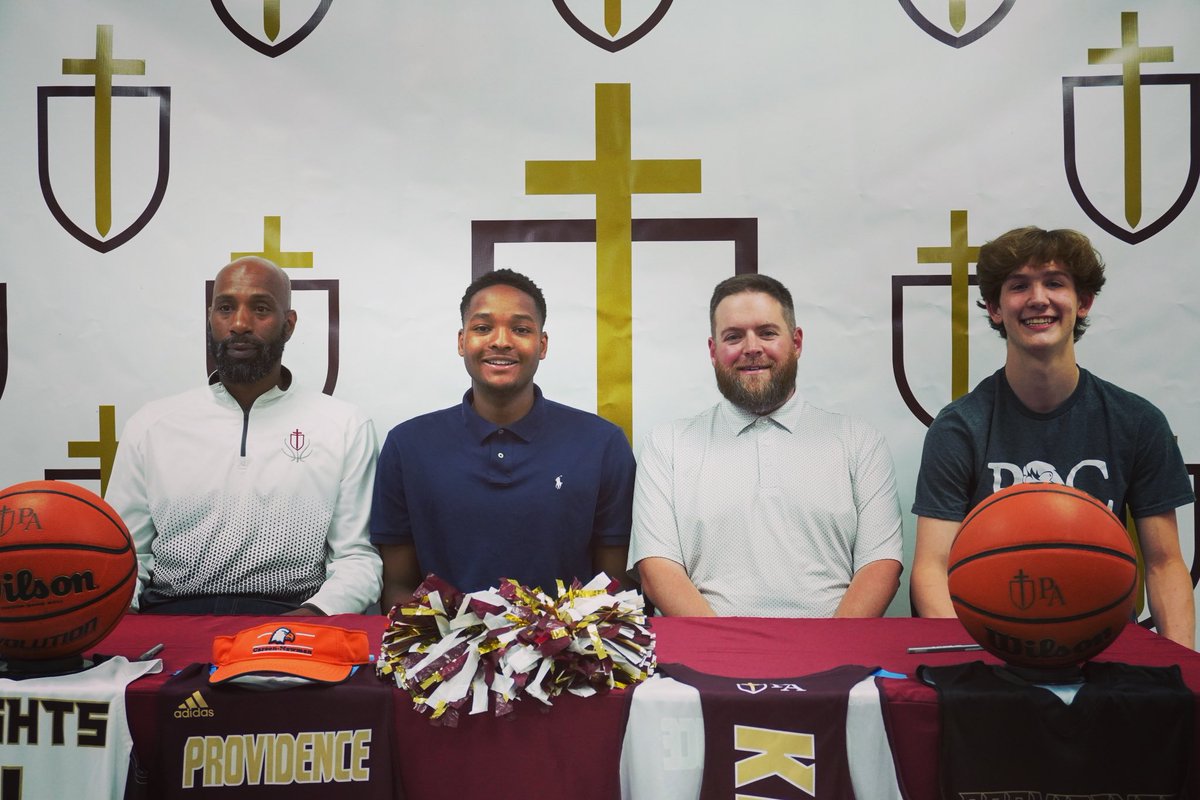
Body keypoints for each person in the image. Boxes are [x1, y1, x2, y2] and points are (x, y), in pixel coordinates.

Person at [911, 226, 1195, 647]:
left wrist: (1181, 674)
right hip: (991, 654)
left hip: (1107, 647)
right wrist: (974, 663)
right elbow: (931, 568)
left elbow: (1165, 562)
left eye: (1055, 283)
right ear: (994, 307)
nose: (1038, 298)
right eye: (1019, 286)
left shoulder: (1136, 421)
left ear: (1083, 302)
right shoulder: (959, 427)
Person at [107, 256, 382, 615]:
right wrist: (120, 616)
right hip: (170, 614)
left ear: (289, 324)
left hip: (292, 618)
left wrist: (310, 618)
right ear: (210, 319)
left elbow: (357, 559)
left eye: (260, 308)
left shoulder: (344, 425)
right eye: (225, 308)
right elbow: (122, 556)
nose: (239, 324)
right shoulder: (151, 424)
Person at [629, 273, 904, 617]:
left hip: (834, 660)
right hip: (709, 661)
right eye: (733, 336)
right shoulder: (667, 445)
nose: (752, 347)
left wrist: (830, 659)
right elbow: (657, 571)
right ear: (713, 352)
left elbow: (880, 567)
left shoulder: (859, 442)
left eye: (767, 332)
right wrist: (727, 656)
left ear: (797, 342)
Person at [370, 269, 636, 610]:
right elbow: (398, 588)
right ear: (462, 341)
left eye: (521, 329)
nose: (501, 341)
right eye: (482, 328)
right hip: (444, 655)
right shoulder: (407, 446)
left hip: (564, 655)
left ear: (542, 345)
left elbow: (614, 591)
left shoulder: (602, 445)